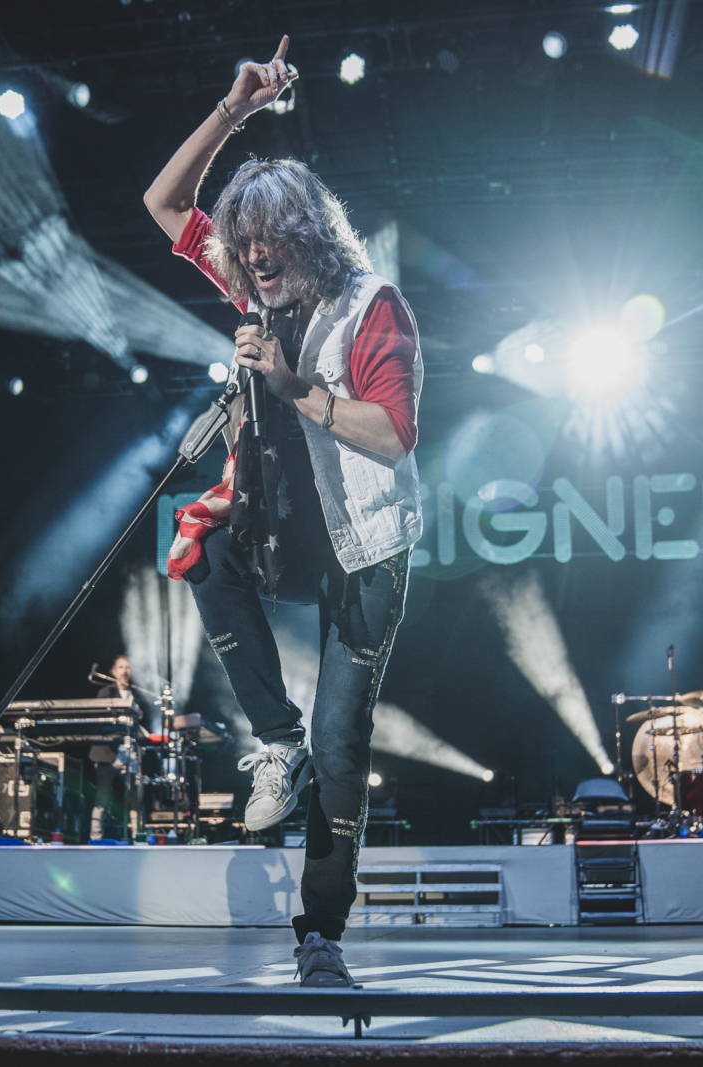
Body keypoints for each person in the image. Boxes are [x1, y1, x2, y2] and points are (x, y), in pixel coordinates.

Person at [144, 35, 420, 987]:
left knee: (346, 740)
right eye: (244, 249)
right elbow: (164, 204)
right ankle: (274, 741)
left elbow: (391, 434)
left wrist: (297, 387)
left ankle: (322, 933)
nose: (252, 262)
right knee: (197, 544)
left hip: (364, 550)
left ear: (307, 241)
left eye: (268, 248)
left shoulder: (372, 307)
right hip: (276, 533)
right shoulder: (251, 281)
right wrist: (234, 109)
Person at [88, 654, 158, 840]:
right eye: (121, 667)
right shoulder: (105, 692)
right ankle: (95, 837)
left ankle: (138, 836)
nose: (124, 671)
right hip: (106, 753)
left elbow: (145, 725)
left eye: (128, 667)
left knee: (136, 797)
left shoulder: (139, 696)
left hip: (131, 753)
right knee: (102, 797)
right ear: (113, 671)